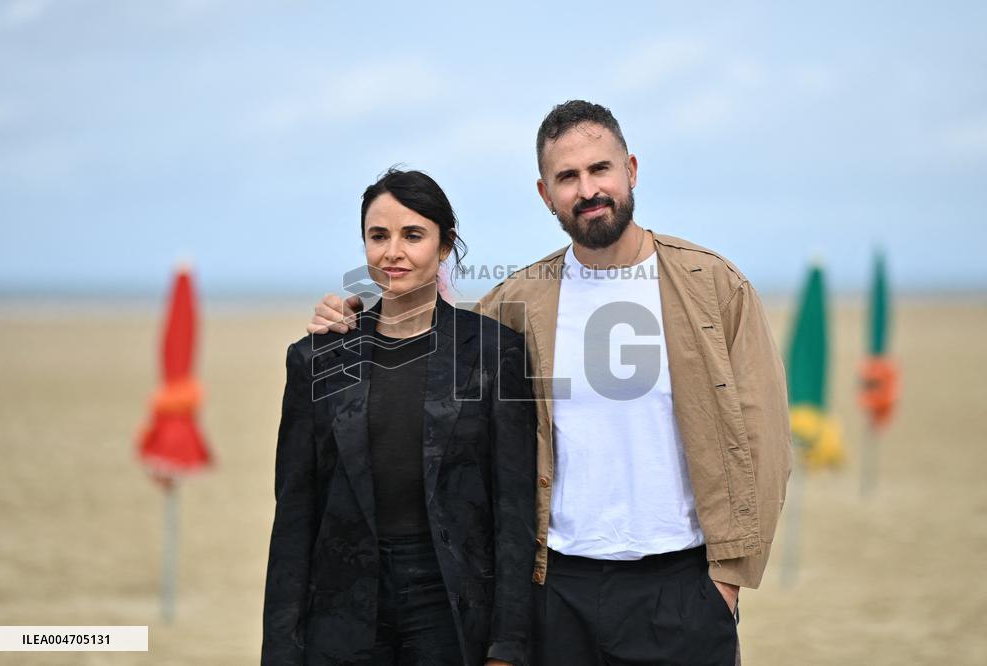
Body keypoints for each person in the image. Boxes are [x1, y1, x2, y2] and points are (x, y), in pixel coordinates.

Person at [308, 102, 793, 665]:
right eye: (568, 177)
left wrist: (728, 580)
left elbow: (765, 439)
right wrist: (351, 313)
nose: (588, 189)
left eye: (600, 169)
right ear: (545, 194)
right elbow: (429, 328)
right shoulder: (517, 302)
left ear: (630, 170)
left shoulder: (714, 286)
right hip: (555, 591)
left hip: (681, 588)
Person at [262, 169, 537, 665]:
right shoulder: (317, 358)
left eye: (413, 235)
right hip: (342, 609)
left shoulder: (496, 353)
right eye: (378, 236)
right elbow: (295, 517)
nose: (393, 252)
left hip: (451, 607)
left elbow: (514, 512)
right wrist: (281, 650)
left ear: (445, 244)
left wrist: (507, 645)